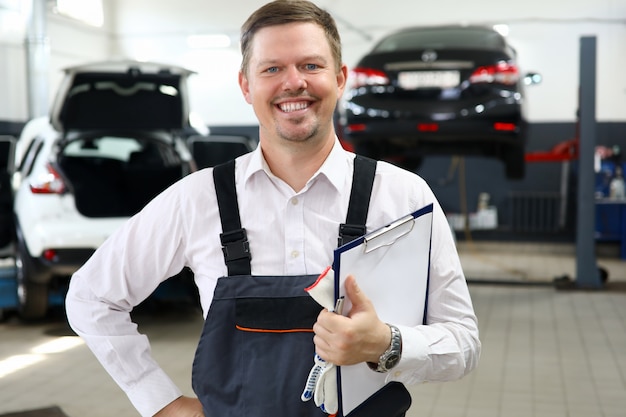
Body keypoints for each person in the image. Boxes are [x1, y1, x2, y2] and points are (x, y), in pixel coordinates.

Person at [65, 1, 481, 416]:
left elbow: (463, 343)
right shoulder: (197, 199)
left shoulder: (404, 198)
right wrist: (160, 402)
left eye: (311, 66)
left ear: (340, 79)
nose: (293, 83)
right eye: (272, 69)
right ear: (246, 86)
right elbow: (91, 297)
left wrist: (386, 344)